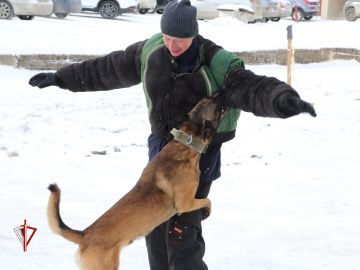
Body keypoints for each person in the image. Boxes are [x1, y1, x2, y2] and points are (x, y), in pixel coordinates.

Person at [29, 0, 316, 269]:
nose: (172, 45)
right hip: (162, 148)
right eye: (167, 36)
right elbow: (108, 68)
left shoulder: (216, 61)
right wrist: (62, 78)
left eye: (179, 38)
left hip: (201, 151)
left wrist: (281, 100)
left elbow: (251, 88)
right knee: (154, 232)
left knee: (182, 232)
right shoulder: (151, 51)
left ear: (194, 34)